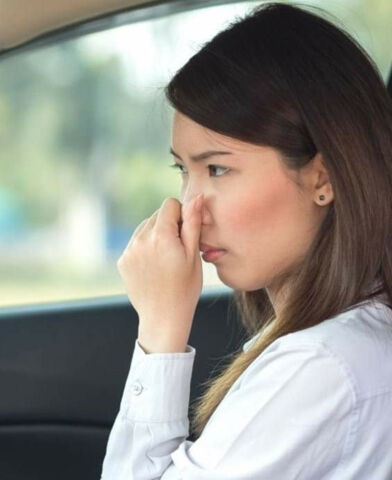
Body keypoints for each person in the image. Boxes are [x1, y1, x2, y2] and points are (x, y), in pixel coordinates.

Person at [100, 2, 392, 479]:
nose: (189, 208)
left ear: (325, 177)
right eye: (183, 170)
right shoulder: (345, 343)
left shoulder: (320, 368)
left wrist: (160, 331)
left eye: (218, 169)